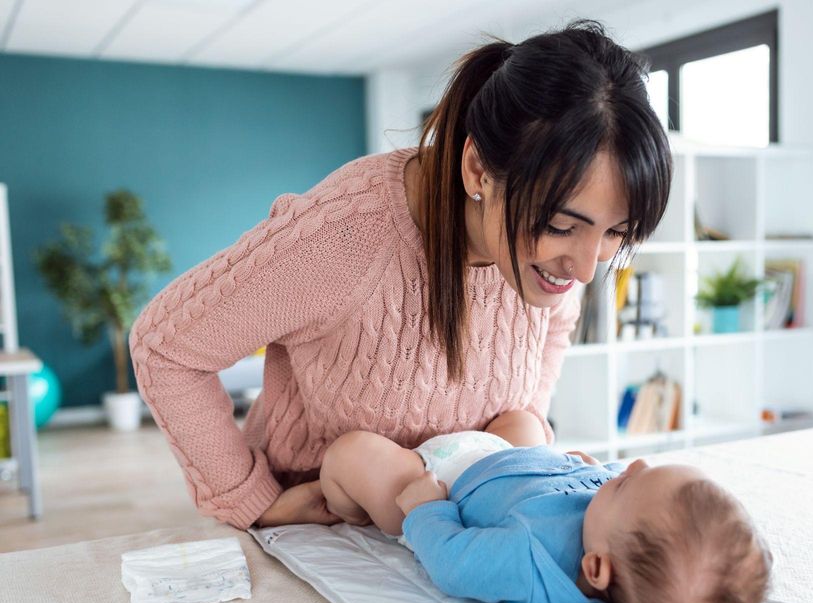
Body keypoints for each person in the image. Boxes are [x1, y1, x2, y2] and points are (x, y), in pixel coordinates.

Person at [129, 20, 671, 530]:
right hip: (328, 534)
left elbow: (552, 327)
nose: (583, 267)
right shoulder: (343, 236)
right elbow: (165, 347)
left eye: (616, 233)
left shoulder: (556, 266)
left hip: (453, 530)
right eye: (558, 226)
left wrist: (520, 439)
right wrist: (253, 498)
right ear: (478, 169)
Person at [319, 410, 772, 603]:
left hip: (438, 482)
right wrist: (598, 475)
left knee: (353, 454)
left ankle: (343, 508)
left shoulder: (534, 564)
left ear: (594, 568)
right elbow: (615, 486)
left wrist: (428, 511)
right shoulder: (618, 530)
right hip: (509, 456)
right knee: (525, 419)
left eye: (625, 484)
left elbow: (453, 564)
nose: (632, 464)